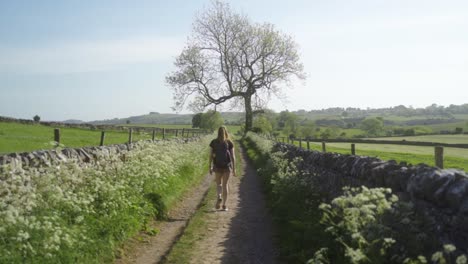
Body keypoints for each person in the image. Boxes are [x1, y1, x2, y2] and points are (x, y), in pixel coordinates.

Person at [209, 126, 236, 211]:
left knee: (219, 184)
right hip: (227, 167)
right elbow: (233, 157)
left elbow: (210, 155)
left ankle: (219, 196)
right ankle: (224, 205)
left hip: (217, 166)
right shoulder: (229, 142)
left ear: (218, 132)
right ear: (226, 132)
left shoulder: (213, 142)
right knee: (225, 185)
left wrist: (209, 166)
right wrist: (234, 169)